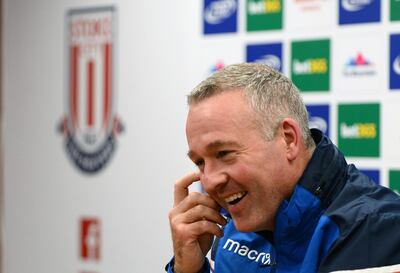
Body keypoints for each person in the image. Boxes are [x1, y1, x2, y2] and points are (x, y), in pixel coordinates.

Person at [166, 63, 400, 273]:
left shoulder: (381, 230)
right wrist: (188, 271)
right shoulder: (236, 218)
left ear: (288, 139)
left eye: (224, 153)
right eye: (200, 162)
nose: (210, 181)